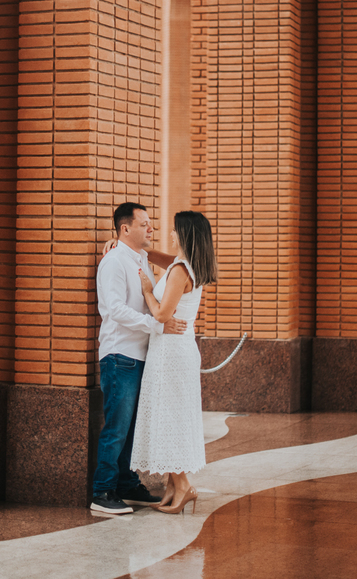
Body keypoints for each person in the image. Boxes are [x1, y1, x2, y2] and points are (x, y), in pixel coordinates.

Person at [91, 202, 186, 515]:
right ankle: (102, 491)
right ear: (125, 228)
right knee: (117, 427)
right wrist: (158, 325)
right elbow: (115, 310)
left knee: (133, 427)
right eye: (144, 224)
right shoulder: (114, 261)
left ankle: (127, 484)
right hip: (120, 356)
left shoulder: (140, 258)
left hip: (141, 354)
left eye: (150, 223)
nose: (151, 228)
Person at [129, 210, 219, 515]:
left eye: (175, 229)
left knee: (168, 417)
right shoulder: (186, 264)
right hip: (176, 350)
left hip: (171, 353)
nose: (170, 233)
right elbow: (163, 258)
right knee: (170, 416)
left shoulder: (181, 270)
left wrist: (146, 290)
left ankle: (183, 486)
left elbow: (161, 314)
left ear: (185, 234)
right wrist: (134, 246)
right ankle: (172, 487)